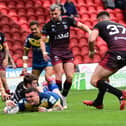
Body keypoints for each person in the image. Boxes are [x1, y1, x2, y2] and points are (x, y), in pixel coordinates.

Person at [40, 4, 91, 108]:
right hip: (55, 52)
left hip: (67, 52)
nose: (53, 16)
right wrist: (44, 51)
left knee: (70, 77)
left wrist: (90, 31)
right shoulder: (48, 26)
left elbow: (81, 25)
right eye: (51, 14)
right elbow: (42, 40)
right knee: (58, 75)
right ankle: (57, 99)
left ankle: (63, 96)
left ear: (60, 12)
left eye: (55, 13)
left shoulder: (68, 20)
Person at [83, 11, 126, 110]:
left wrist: (91, 51)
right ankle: (98, 102)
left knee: (94, 81)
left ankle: (120, 94)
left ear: (101, 19)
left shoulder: (100, 24)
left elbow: (91, 39)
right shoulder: (121, 26)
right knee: (103, 79)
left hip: (116, 52)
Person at [0, 32, 12, 101]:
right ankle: (3, 92)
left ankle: (8, 95)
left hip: (1, 58)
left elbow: (6, 47)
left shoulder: (1, 35)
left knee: (3, 78)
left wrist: (6, 59)